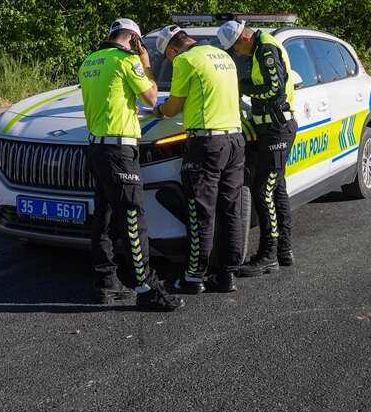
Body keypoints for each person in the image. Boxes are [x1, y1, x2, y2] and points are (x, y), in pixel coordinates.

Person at [78, 18, 181, 311]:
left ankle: (106, 283)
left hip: (96, 147)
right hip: (120, 148)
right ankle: (146, 287)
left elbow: (106, 99)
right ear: (135, 41)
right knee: (133, 217)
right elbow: (150, 97)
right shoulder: (127, 61)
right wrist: (145, 61)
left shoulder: (90, 62)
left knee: (105, 216)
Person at [153, 26, 245, 294]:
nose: (171, 63)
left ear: (172, 50)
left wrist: (158, 109)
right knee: (230, 210)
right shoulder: (222, 55)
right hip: (234, 140)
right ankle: (227, 275)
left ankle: (194, 277)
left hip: (206, 143)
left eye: (168, 59)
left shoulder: (185, 60)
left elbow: (173, 107)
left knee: (200, 211)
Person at [216, 19, 298, 276]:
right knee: (277, 190)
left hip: (276, 129)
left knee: (264, 191)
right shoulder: (262, 46)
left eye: (236, 49)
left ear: (243, 38)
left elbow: (275, 91)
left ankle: (268, 255)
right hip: (272, 128)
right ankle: (283, 250)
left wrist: (241, 88)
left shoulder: (265, 49)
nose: (237, 54)